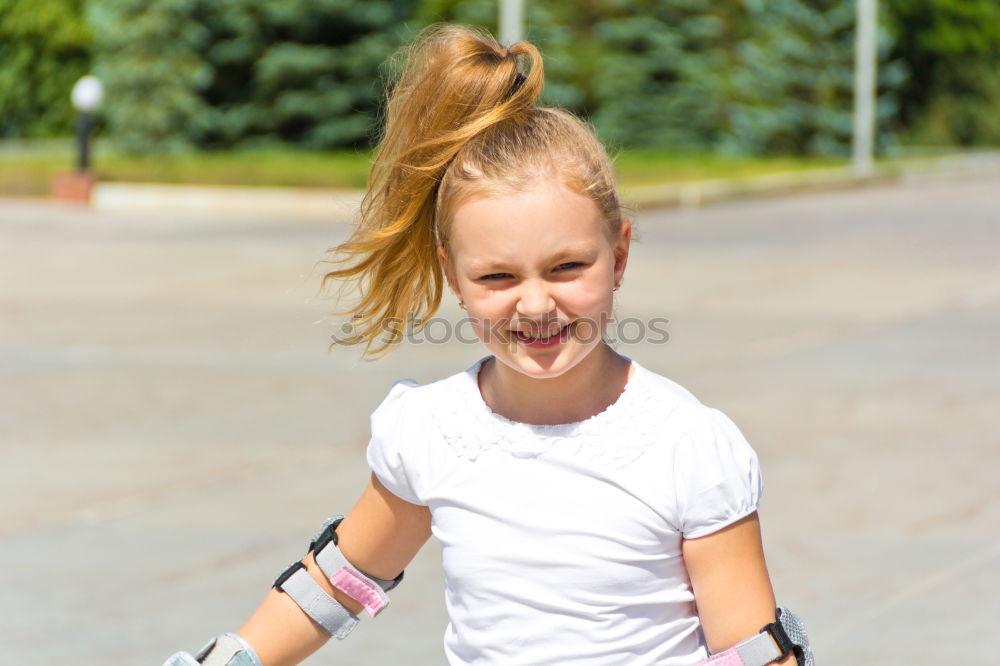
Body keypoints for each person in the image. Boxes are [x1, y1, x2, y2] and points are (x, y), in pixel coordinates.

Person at [165, 24, 811, 666]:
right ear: (454, 277)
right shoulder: (433, 434)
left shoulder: (686, 447)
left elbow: (753, 653)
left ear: (618, 256)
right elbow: (340, 580)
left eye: (566, 268)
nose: (535, 305)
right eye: (498, 277)